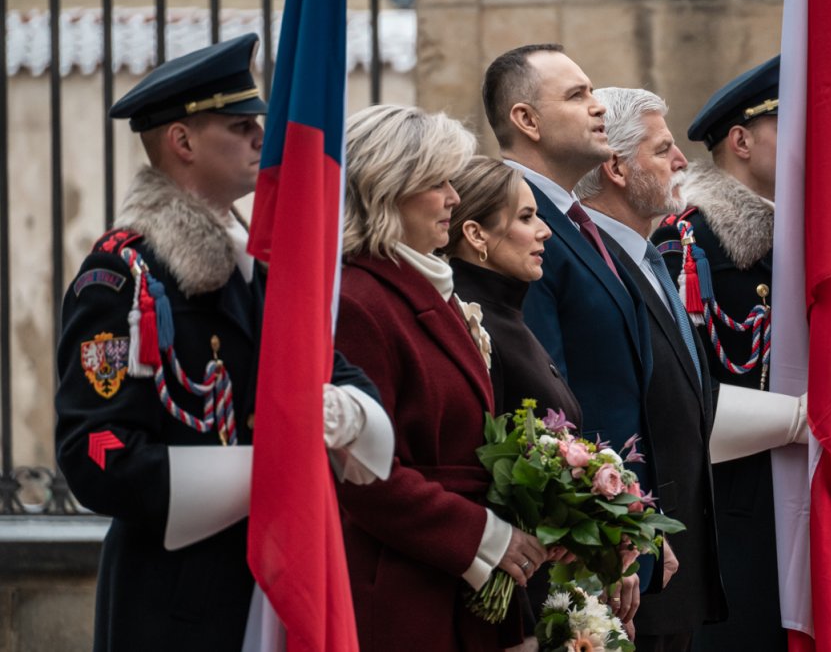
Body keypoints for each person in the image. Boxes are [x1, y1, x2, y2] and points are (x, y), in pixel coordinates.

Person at [54, 33, 392, 651]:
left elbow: (340, 377)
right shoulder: (124, 276)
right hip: (176, 601)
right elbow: (97, 454)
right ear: (182, 142)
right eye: (240, 125)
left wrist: (342, 412)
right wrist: (276, 468)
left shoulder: (258, 269)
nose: (261, 139)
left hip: (276, 579)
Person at [648, 56, 831, 652]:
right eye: (793, 129)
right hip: (734, 506)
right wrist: (799, 415)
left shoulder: (806, 240)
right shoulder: (689, 239)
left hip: (813, 495)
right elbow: (686, 389)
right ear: (740, 140)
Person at [333, 105, 548, 652]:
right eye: (438, 182)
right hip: (406, 593)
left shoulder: (427, 287)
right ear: (387, 188)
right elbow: (363, 472)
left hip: (454, 584)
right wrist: (483, 535)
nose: (455, 196)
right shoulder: (358, 300)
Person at [482, 44, 657, 609]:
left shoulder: (577, 221)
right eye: (577, 95)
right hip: (573, 557)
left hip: (621, 538)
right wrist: (602, 536)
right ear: (526, 120)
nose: (598, 106)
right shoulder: (515, 226)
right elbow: (542, 404)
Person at [575, 86, 728, 651]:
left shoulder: (646, 252)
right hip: (634, 570)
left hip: (674, 565)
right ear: (615, 167)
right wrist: (631, 527)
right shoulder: (596, 262)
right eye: (663, 149)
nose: (682, 161)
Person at [446, 156, 581, 425]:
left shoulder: (506, 314)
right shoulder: (469, 325)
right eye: (526, 217)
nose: (545, 231)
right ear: (476, 234)